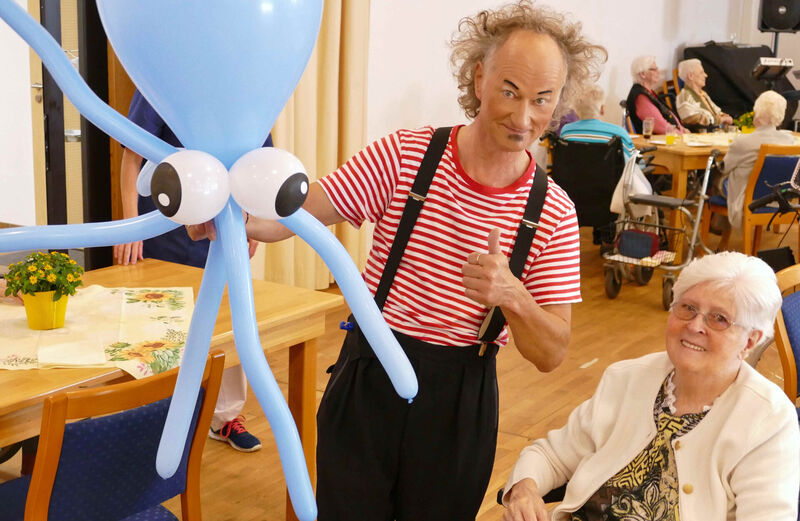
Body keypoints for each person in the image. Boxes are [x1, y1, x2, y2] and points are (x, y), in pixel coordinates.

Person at [189, 1, 605, 518]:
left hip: (461, 400)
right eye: (509, 91)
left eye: (542, 100)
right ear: (479, 78)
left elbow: (551, 353)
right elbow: (303, 211)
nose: (524, 118)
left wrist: (513, 296)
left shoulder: (554, 211)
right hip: (369, 377)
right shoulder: (407, 155)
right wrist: (233, 220)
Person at [502, 251, 800, 521]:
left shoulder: (768, 420)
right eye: (688, 308)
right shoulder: (627, 378)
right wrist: (524, 490)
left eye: (719, 319)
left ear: (749, 341)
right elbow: (551, 455)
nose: (695, 325)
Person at [114, 89, 266, 453]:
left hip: (223, 220)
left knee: (228, 319)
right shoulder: (159, 83)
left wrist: (255, 222)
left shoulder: (246, 87)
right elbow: (132, 155)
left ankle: (225, 416)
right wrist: (130, 225)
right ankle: (152, 417)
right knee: (156, 323)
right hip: (164, 221)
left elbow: (257, 164)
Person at [722, 90, 793, 231]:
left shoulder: (742, 142)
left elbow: (724, 168)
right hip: (779, 199)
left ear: (757, 112)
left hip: (749, 201)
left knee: (716, 181)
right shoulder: (790, 141)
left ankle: (716, 230)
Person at [560, 83, 635, 160]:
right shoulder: (619, 134)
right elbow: (633, 160)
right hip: (608, 168)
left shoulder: (566, 132)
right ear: (602, 109)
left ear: (575, 111)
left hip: (575, 168)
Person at [626, 55, 686, 135]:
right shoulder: (641, 97)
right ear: (643, 74)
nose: (658, 71)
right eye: (654, 69)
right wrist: (682, 135)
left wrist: (682, 129)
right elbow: (660, 126)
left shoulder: (648, 92)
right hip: (658, 140)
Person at [675, 59, 733, 132]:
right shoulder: (684, 97)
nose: (706, 75)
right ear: (690, 76)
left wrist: (724, 116)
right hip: (702, 136)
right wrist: (721, 119)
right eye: (701, 72)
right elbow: (696, 120)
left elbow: (717, 111)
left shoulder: (703, 94)